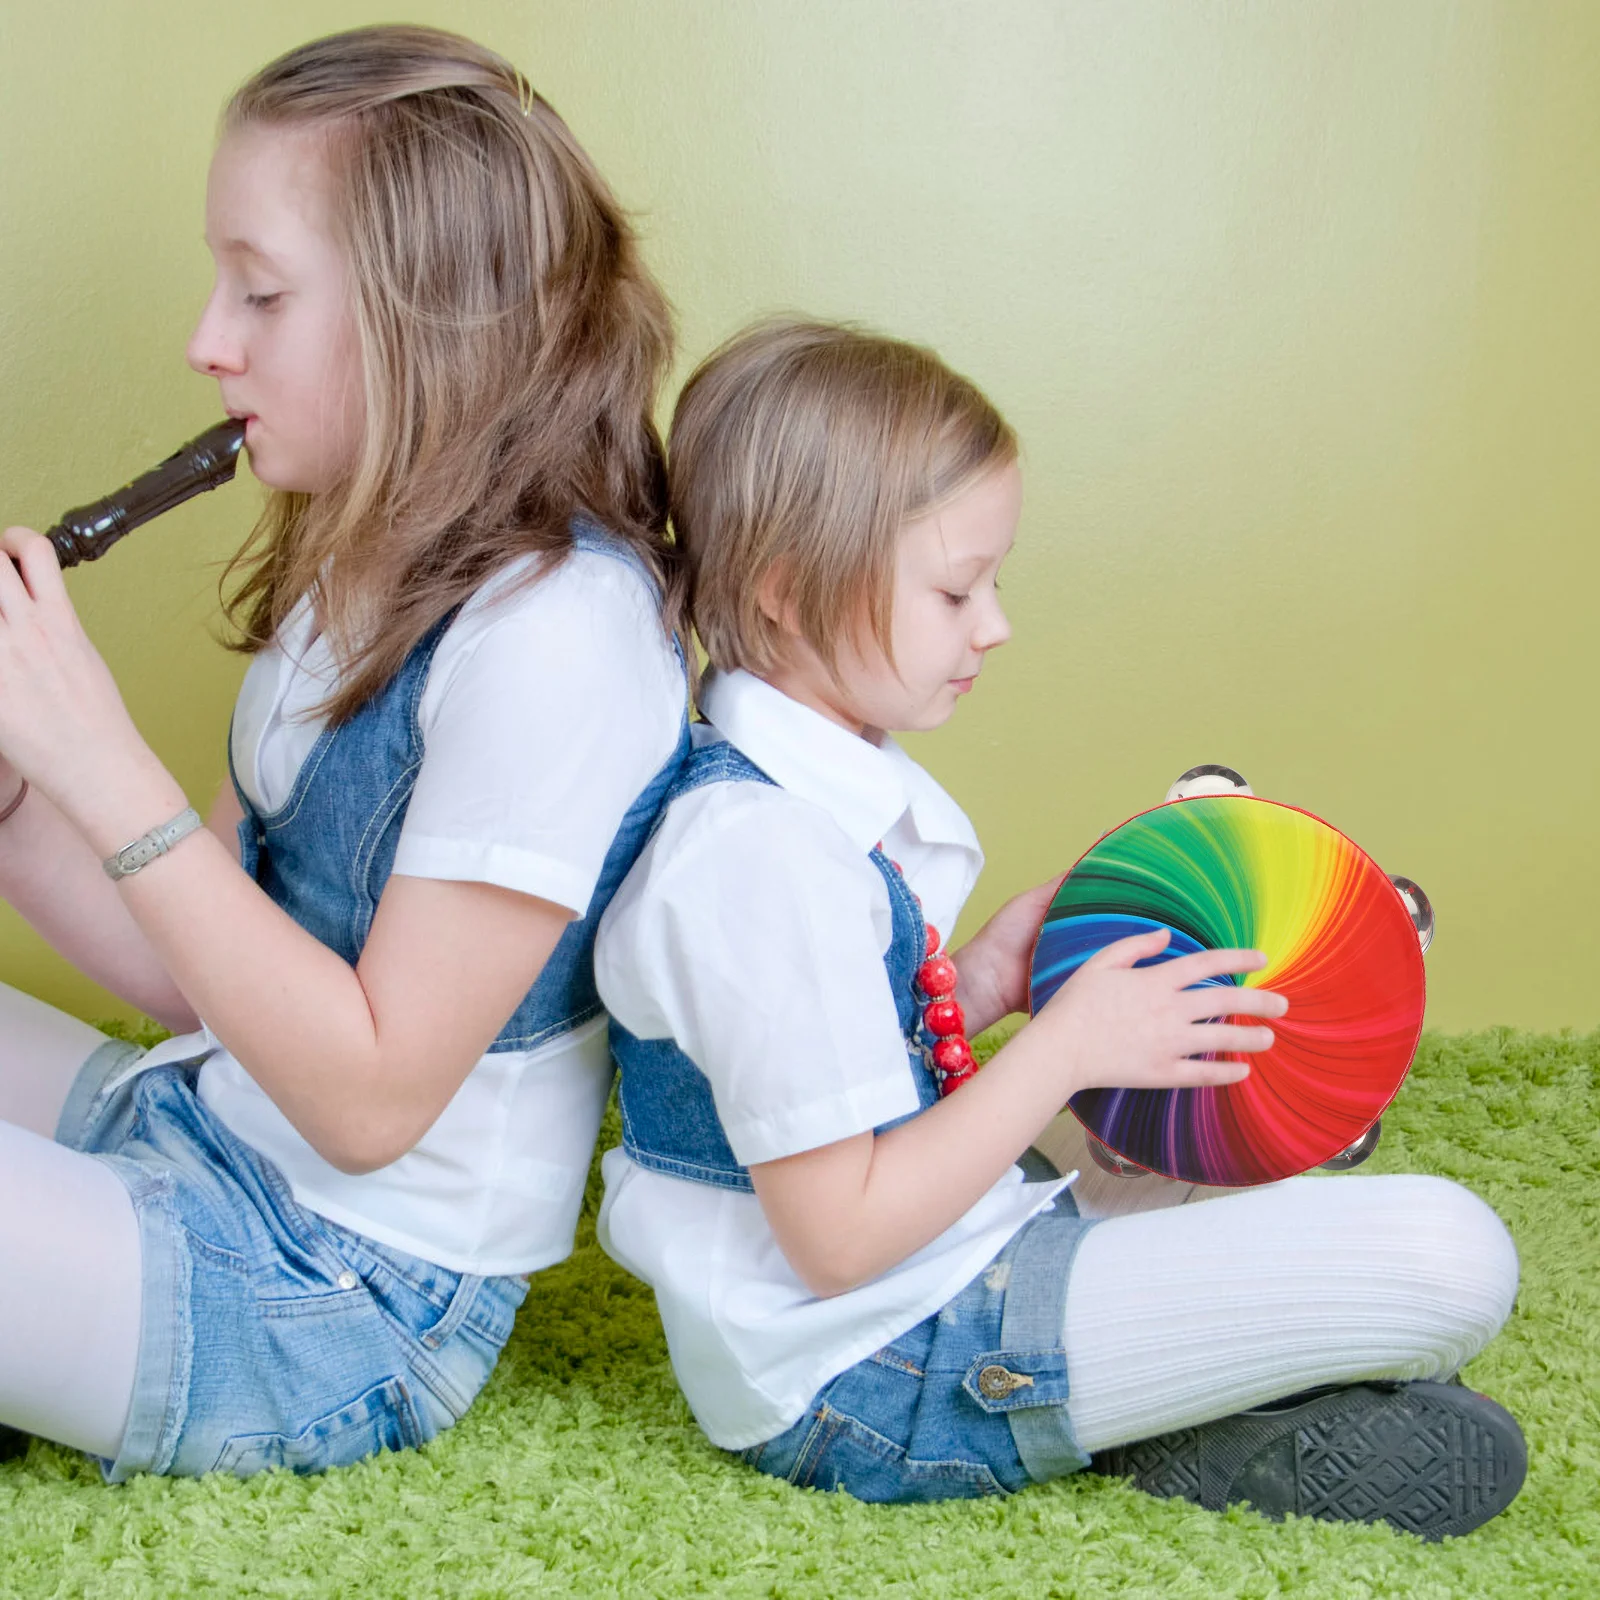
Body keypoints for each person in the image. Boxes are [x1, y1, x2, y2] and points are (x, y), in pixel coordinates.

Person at [595, 318, 1524, 1539]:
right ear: (783, 586)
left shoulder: (793, 812)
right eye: (953, 588)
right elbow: (837, 1238)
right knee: (1452, 1253)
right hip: (876, 1368)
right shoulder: (758, 858)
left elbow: (822, 1074)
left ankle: (1188, 1391)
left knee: (1223, 1143)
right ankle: (1170, 1400)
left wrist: (976, 980)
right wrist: (1061, 1052)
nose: (995, 625)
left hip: (938, 1279)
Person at [0, 25, 687, 1479]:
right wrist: (17, 782)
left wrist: (92, 749)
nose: (207, 339)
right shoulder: (358, 556)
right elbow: (196, 972)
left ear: (431, 321)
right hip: (202, 1126)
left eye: (261, 290)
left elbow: (373, 1104)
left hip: (343, 1299)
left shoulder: (559, 635)